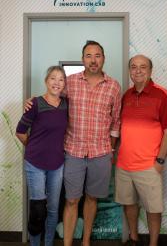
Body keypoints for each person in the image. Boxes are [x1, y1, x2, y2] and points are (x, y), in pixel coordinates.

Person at [63, 40, 121, 246]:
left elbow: (116, 121)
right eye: (89, 55)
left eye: (97, 55)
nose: (93, 60)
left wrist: (111, 147)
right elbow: (53, 103)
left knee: (92, 198)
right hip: (73, 151)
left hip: (101, 152)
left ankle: (86, 240)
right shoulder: (69, 82)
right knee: (71, 200)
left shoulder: (114, 86)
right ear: (82, 59)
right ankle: (68, 243)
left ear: (103, 59)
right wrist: (32, 103)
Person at [115, 55, 167, 246]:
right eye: (133, 67)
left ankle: (153, 243)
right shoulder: (126, 95)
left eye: (143, 67)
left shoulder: (161, 95)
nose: (138, 70)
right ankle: (133, 238)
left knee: (153, 209)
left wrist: (159, 161)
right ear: (129, 71)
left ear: (150, 71)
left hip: (148, 165)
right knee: (129, 204)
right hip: (124, 165)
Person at [16, 66, 68, 246]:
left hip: (57, 164)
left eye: (61, 79)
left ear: (64, 84)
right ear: (46, 81)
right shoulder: (35, 104)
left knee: (53, 209)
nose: (56, 82)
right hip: (35, 164)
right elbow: (20, 132)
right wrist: (33, 147)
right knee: (38, 209)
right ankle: (34, 243)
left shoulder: (66, 105)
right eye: (53, 78)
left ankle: (48, 243)